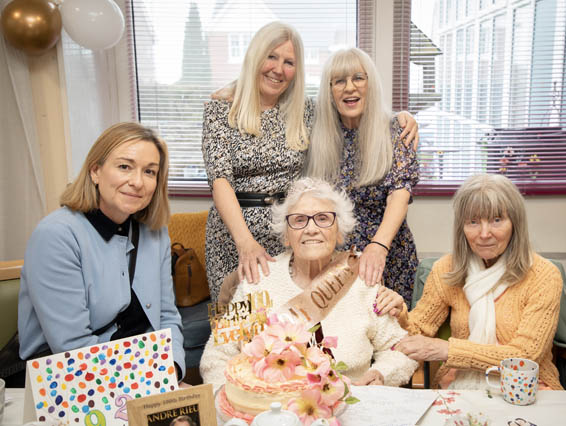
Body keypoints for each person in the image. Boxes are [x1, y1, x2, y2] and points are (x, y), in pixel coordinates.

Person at [201, 21, 418, 303]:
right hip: (235, 236)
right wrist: (245, 243)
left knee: (293, 326)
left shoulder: (303, 111)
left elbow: (354, 107)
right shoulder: (221, 111)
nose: (279, 68)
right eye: (271, 56)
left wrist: (404, 115)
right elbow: (219, 180)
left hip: (294, 235)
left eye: (289, 62)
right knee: (232, 326)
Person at [199, 178, 417, 389]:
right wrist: (240, 402)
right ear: (286, 235)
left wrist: (381, 374)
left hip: (349, 405)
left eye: (323, 218)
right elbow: (215, 356)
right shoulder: (256, 282)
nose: (311, 229)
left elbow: (400, 349)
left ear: (339, 232)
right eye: (299, 220)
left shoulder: (362, 278)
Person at [18, 122, 186, 383]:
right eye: (124, 167)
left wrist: (172, 370)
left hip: (143, 371)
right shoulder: (56, 235)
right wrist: (147, 384)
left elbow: (166, 317)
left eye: (150, 171)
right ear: (95, 171)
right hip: (72, 379)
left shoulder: (156, 233)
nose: (137, 182)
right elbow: (72, 347)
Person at [393, 174, 563, 390]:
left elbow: (525, 356)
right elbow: (417, 331)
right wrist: (398, 315)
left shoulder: (544, 275)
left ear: (515, 224)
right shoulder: (446, 269)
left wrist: (448, 350)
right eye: (473, 222)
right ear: (461, 228)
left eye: (496, 220)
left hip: (528, 386)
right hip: (458, 383)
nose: (484, 234)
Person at [306, 47, 419, 306]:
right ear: (329, 90)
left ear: (370, 84)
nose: (349, 88)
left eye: (358, 78)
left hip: (387, 255)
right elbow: (276, 97)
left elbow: (400, 195)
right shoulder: (317, 133)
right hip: (334, 260)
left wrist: (378, 247)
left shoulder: (396, 131)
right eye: (339, 81)